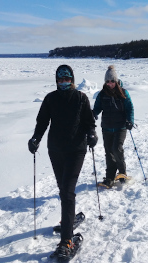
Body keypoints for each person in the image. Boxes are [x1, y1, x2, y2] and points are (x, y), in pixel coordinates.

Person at [28, 65, 97, 259]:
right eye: (61, 79)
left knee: (67, 191)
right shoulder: (50, 98)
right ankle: (69, 217)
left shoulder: (81, 98)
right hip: (56, 150)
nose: (64, 82)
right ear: (56, 80)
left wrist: (92, 134)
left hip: (76, 150)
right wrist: (35, 139)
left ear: (72, 79)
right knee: (63, 189)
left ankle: (67, 239)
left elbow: (89, 121)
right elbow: (42, 122)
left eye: (67, 79)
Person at [93, 65, 134, 189]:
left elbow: (130, 108)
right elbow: (97, 108)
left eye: (112, 81)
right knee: (108, 152)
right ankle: (110, 177)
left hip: (120, 127)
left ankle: (122, 173)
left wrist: (130, 121)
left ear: (116, 81)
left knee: (116, 149)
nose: (110, 83)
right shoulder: (102, 94)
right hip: (106, 128)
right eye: (107, 81)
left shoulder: (123, 92)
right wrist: (93, 114)